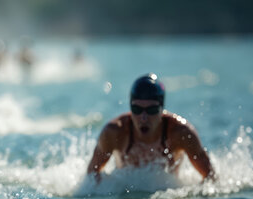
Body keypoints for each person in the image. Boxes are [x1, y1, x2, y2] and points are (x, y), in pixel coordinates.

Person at [87, 74, 215, 183]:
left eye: (151, 110)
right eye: (137, 109)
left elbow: (211, 178)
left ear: (161, 109)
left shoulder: (181, 133)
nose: (143, 117)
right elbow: (91, 177)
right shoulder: (114, 132)